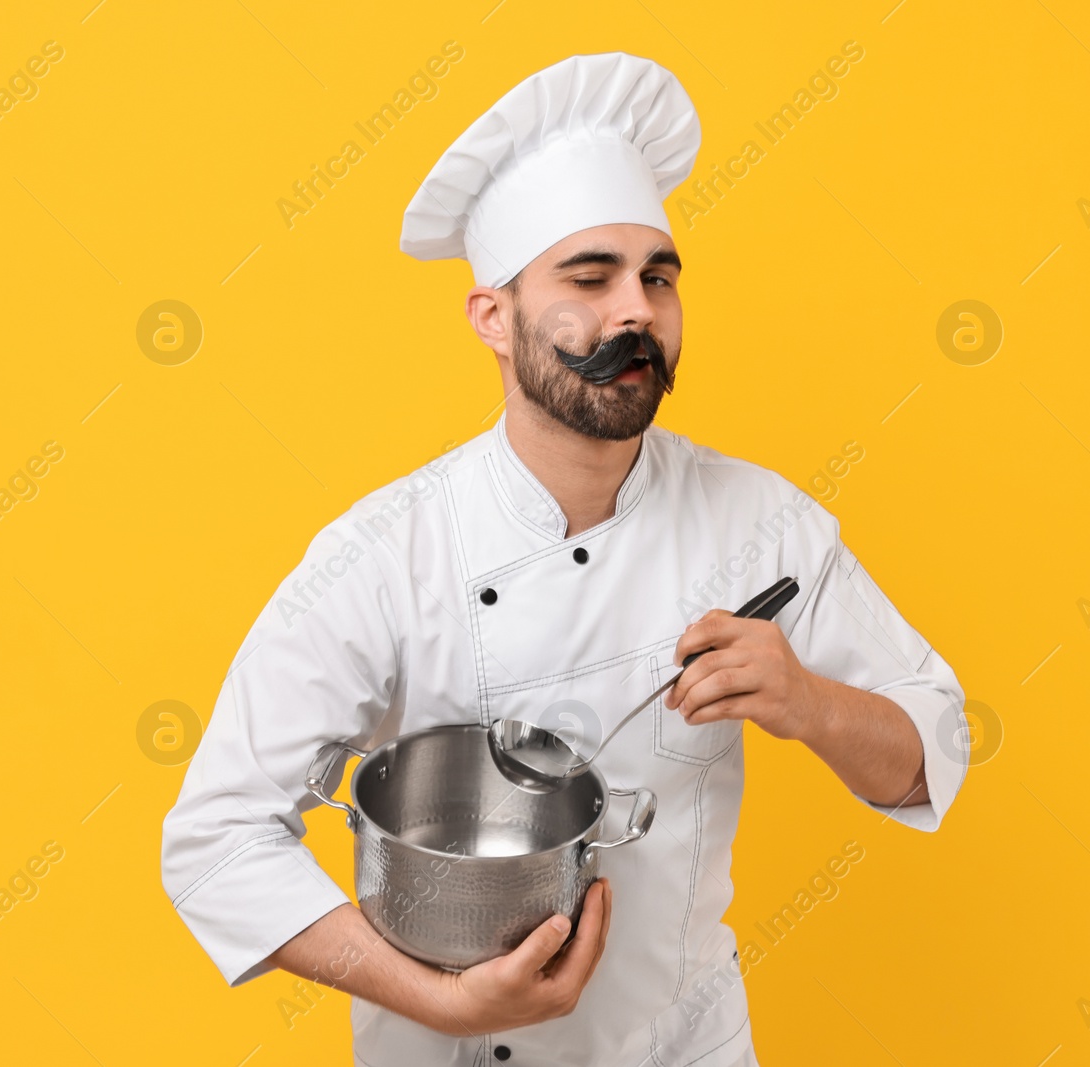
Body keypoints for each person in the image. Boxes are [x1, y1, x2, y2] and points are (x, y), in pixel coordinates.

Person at [162, 52, 968, 1066]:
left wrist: (806, 700)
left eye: (657, 276)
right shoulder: (382, 553)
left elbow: (925, 754)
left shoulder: (760, 522)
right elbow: (216, 836)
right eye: (588, 277)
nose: (634, 310)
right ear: (492, 317)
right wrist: (438, 1000)